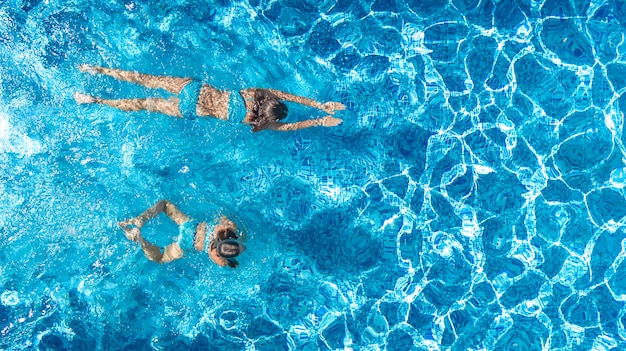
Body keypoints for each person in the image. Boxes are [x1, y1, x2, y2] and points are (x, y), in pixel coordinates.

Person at [74, 65, 345, 132]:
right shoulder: (257, 122)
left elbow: (288, 95)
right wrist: (319, 121)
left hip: (197, 90)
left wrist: (319, 104)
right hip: (195, 109)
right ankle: (95, 101)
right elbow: (288, 127)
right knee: (145, 104)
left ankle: (98, 70)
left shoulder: (255, 94)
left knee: (146, 79)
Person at [118, 200, 245, 268]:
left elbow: (224, 217)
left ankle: (142, 218)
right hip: (187, 245)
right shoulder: (215, 254)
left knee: (165, 205)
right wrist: (229, 262)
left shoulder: (226, 228)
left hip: (191, 226)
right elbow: (222, 263)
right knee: (159, 258)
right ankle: (139, 238)